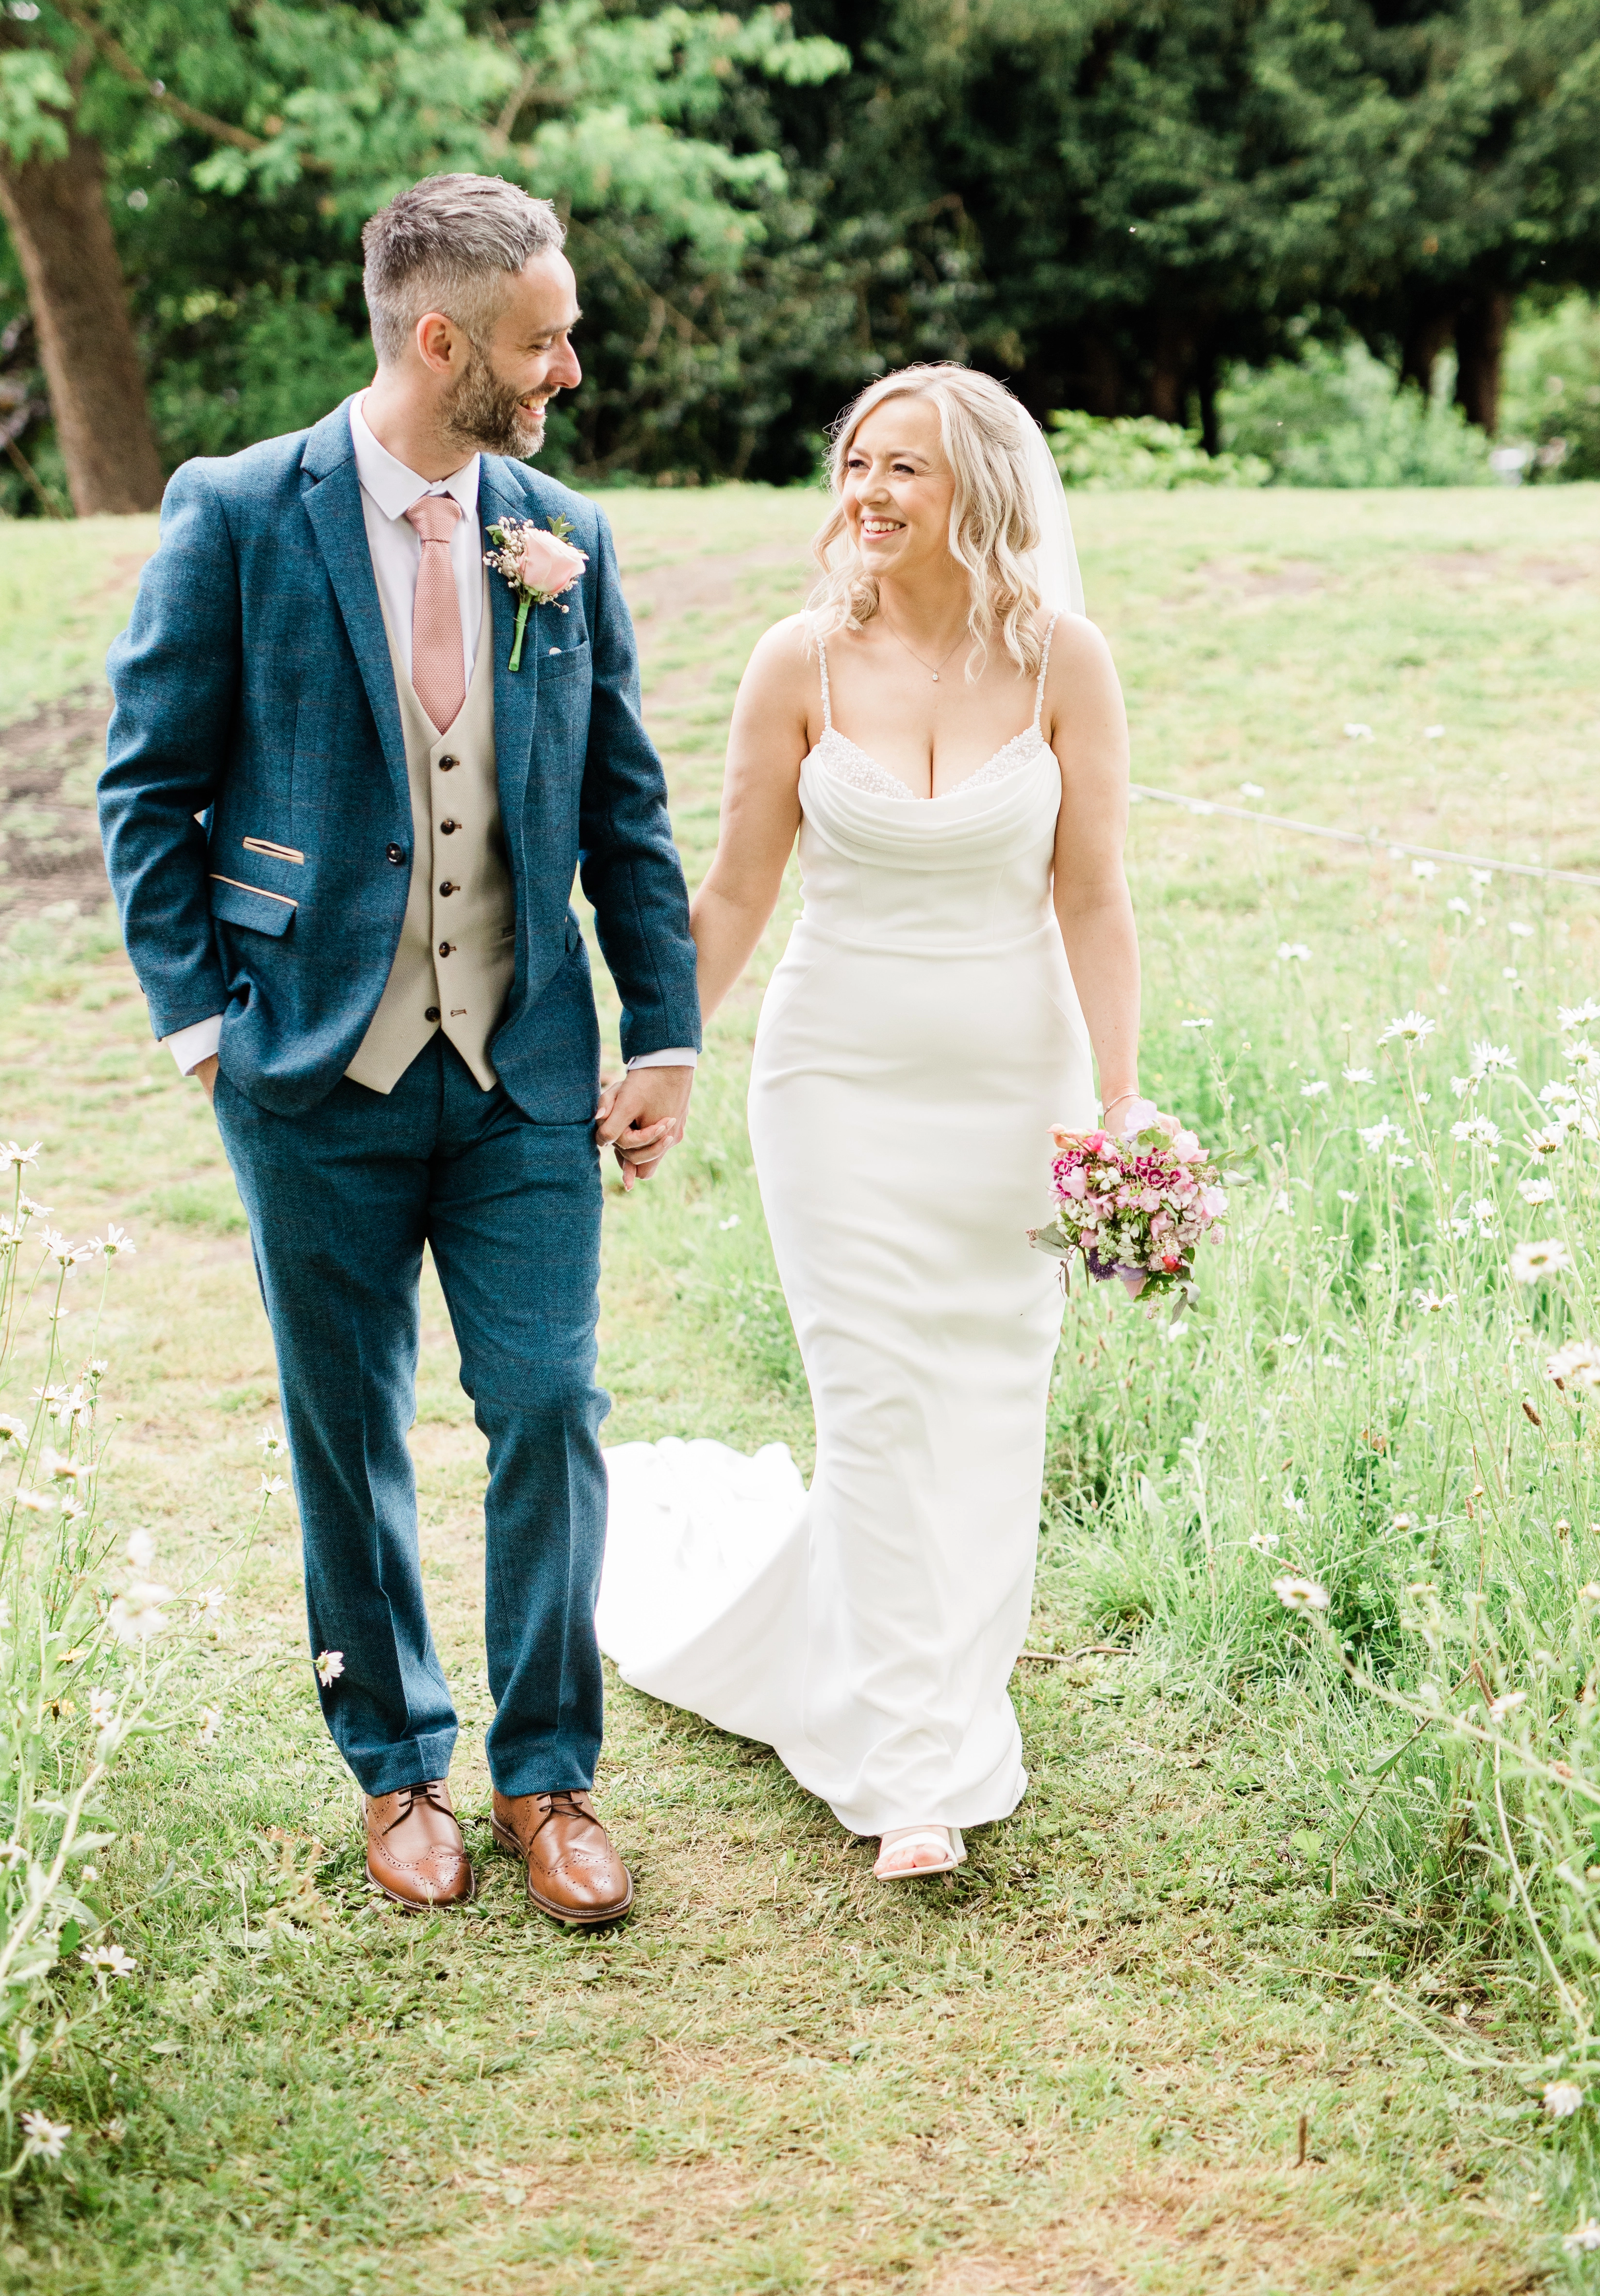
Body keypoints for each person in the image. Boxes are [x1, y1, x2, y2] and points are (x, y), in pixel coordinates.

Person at [99, 174, 700, 1924]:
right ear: (441, 344)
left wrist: (657, 1028)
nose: (570, 365)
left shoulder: (558, 526)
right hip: (309, 1069)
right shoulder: (236, 513)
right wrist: (207, 1023)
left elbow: (623, 807)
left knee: (550, 1404)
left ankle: (548, 1773)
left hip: (520, 1061)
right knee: (341, 1422)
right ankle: (394, 1768)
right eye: (543, 338)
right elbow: (147, 788)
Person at [594, 363, 1140, 1879]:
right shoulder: (798, 665)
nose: (869, 492)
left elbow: (1091, 893)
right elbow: (736, 890)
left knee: (985, 1400)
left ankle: (934, 1689)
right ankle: (918, 1768)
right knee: (875, 1400)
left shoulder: (1062, 664)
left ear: (980, 489)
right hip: (833, 1086)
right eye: (853, 463)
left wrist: (1118, 1100)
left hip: (1007, 1093)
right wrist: (658, 1049)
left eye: (905, 466)